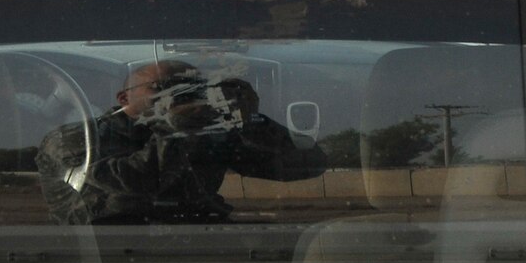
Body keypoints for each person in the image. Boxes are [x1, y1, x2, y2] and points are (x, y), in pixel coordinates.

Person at [37, 60, 327, 224]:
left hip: (202, 244)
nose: (178, 95)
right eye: (163, 88)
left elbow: (305, 165)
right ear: (124, 98)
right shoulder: (77, 139)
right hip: (108, 253)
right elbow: (140, 182)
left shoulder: (205, 131)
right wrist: (180, 127)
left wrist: (249, 120)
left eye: (192, 88)